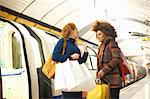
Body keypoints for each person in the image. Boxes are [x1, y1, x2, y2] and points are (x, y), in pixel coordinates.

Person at [52, 23, 88, 99]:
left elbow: (81, 62)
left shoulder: (74, 44)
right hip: (68, 77)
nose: (78, 32)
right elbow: (55, 56)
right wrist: (70, 57)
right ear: (70, 31)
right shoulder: (62, 41)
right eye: (76, 30)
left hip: (77, 77)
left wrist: (85, 52)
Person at [92, 20, 122, 99]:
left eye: (99, 34)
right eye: (97, 35)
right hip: (105, 80)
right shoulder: (101, 46)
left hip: (113, 81)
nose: (98, 36)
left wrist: (103, 71)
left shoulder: (111, 43)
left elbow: (116, 59)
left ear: (106, 33)